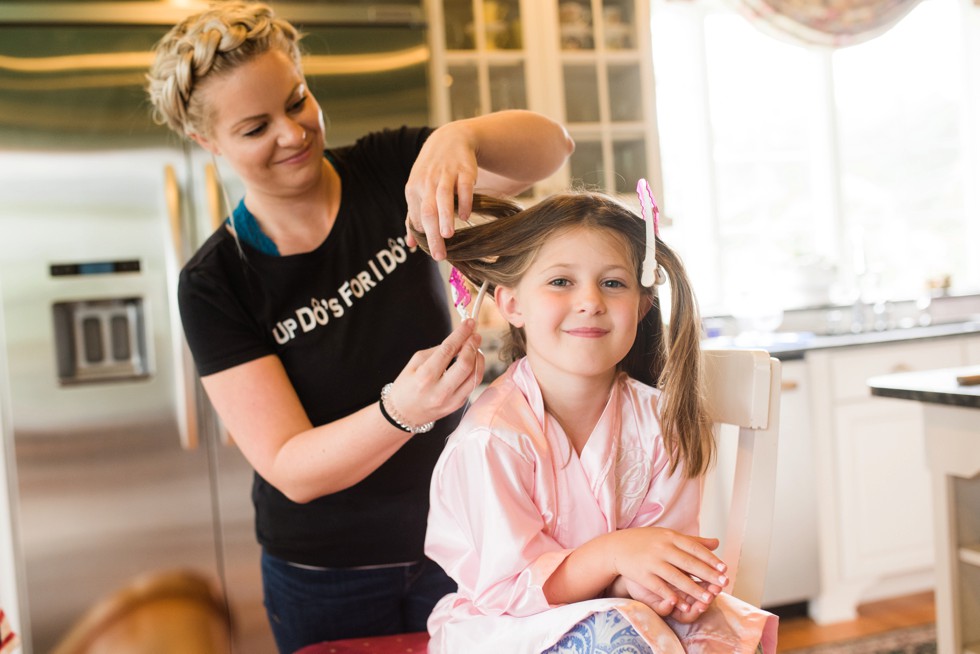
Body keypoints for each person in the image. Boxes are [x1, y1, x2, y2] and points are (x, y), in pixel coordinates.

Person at [145, 2, 574, 652]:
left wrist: (462, 137)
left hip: (462, 535)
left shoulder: (388, 170)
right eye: (256, 127)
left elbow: (550, 149)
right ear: (209, 143)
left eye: (297, 102)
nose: (291, 134)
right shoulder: (215, 283)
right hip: (325, 574)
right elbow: (291, 466)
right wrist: (401, 411)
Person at [414, 190, 778, 653]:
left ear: (643, 306)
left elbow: (657, 556)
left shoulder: (664, 423)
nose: (590, 301)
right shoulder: (492, 440)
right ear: (512, 305)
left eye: (613, 283)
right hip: (508, 629)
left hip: (619, 613)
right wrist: (615, 554)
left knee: (707, 632)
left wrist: (657, 585)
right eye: (561, 281)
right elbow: (509, 591)